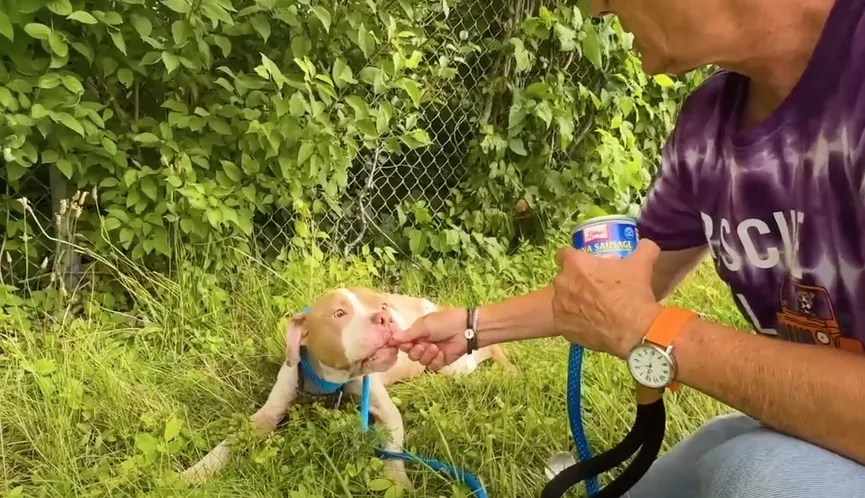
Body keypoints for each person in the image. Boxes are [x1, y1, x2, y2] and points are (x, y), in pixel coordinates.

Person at [389, 0, 865, 496]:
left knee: (757, 477)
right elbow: (629, 285)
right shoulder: (708, 126)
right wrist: (473, 326)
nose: (597, 8)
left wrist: (658, 335)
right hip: (811, 427)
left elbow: (635, 316)